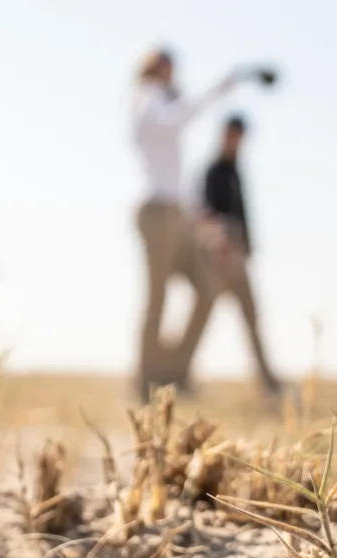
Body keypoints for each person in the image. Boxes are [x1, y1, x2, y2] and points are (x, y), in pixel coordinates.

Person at [130, 47, 237, 402]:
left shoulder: (167, 102)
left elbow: (178, 172)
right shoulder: (147, 98)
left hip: (179, 213)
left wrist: (202, 220)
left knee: (208, 288)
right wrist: (215, 90)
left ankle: (174, 372)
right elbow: (173, 121)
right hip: (157, 212)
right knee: (157, 296)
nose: (170, 71)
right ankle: (145, 381)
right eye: (165, 65)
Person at [172, 114, 282, 397]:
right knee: (202, 316)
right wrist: (218, 243)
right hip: (216, 258)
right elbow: (204, 213)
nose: (236, 142)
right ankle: (177, 377)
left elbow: (242, 215)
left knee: (252, 318)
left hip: (238, 258)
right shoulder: (213, 171)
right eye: (233, 136)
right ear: (224, 135)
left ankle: (268, 383)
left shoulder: (236, 171)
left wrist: (247, 247)